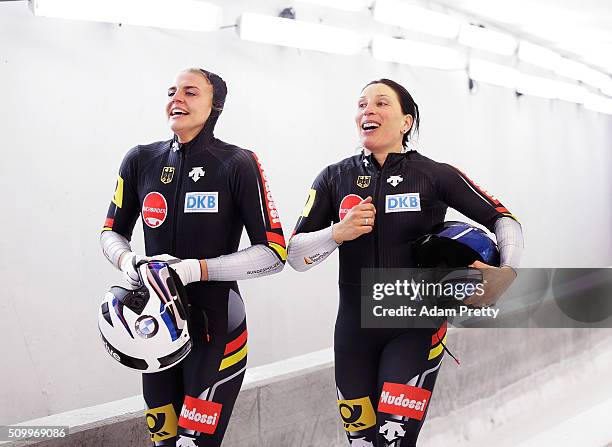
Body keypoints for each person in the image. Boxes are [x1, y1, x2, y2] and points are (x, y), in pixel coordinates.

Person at [287, 78, 523, 447]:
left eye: (381, 103)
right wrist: (337, 233)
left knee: (393, 440)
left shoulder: (434, 174)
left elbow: (504, 219)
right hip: (352, 333)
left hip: (415, 328)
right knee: (362, 442)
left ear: (406, 122)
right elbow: (296, 256)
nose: (368, 110)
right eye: (362, 103)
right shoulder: (334, 177)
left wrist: (505, 271)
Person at [100, 68, 286, 447]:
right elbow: (111, 232)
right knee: (163, 442)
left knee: (193, 443)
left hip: (217, 327)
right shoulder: (139, 159)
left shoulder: (238, 162)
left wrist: (197, 269)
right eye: (172, 91)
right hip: (155, 329)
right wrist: (129, 262)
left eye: (190, 92)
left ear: (214, 105)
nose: (177, 99)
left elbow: (273, 252)